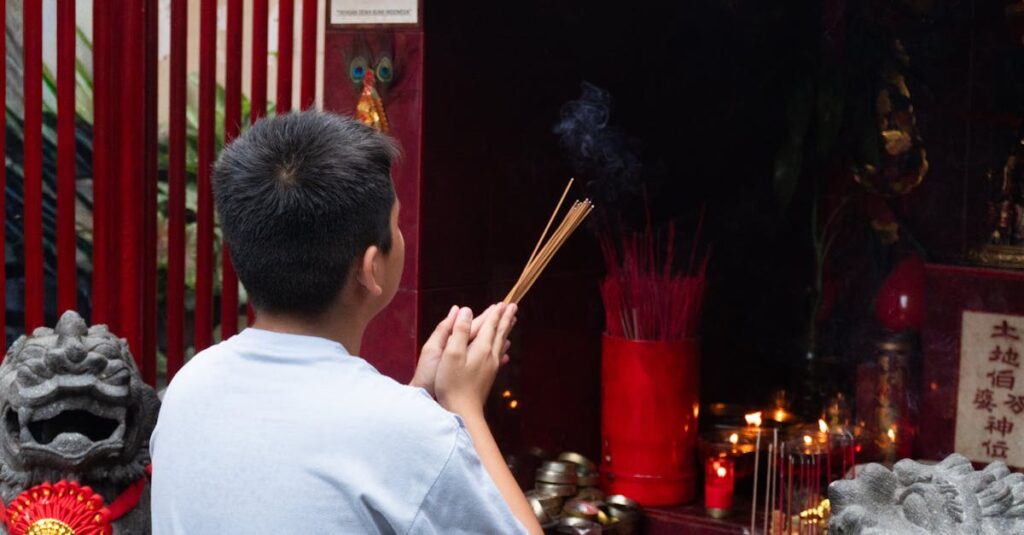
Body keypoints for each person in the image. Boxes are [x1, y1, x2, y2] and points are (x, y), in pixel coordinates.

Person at [150, 111, 542, 534]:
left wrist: (418, 397)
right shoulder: (409, 434)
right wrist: (463, 407)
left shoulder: (185, 391)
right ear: (371, 268)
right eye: (396, 223)